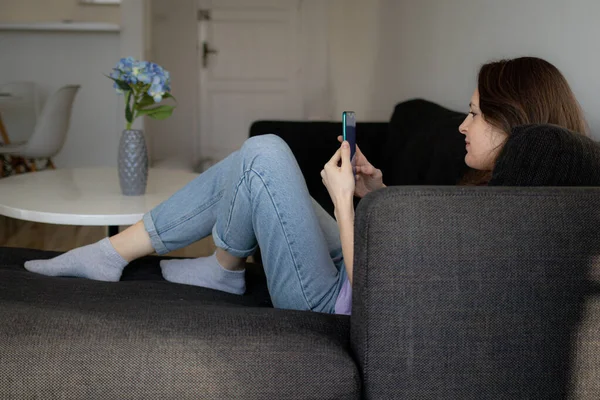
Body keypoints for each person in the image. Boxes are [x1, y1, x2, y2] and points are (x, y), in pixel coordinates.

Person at [24, 56, 589, 316]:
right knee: (255, 159)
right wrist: (378, 193)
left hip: (334, 301)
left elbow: (390, 298)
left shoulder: (511, 210)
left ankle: (126, 254)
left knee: (266, 152)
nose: (461, 125)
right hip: (350, 270)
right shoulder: (508, 196)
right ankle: (212, 268)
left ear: (511, 119)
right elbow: (425, 256)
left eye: (474, 115)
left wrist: (345, 205)